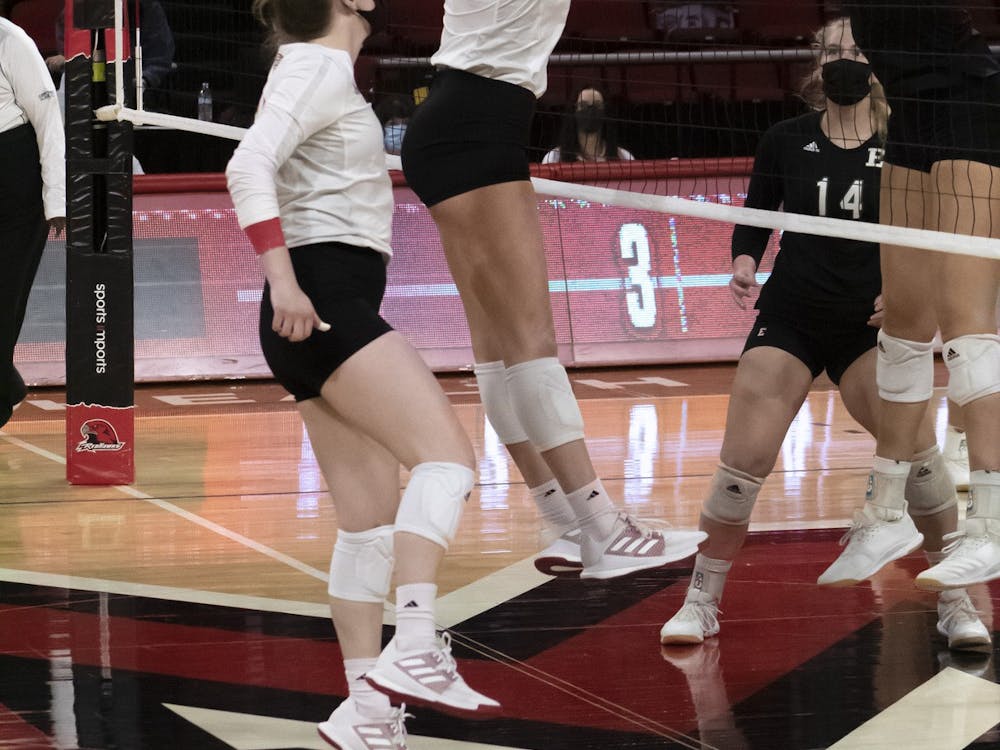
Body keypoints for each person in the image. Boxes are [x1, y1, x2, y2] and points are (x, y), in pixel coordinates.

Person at [660, 17, 990, 652]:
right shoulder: (786, 138)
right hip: (793, 314)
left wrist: (908, 289)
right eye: (833, 51)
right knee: (742, 464)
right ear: (817, 65)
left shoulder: (905, 144)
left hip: (871, 326)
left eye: (855, 50)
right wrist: (743, 261)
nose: (845, 60)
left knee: (920, 461)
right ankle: (700, 599)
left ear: (875, 64)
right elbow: (757, 215)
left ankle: (955, 600)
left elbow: (925, 236)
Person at [226, 1, 499, 746]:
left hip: (318, 304)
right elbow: (247, 164)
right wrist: (283, 281)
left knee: (368, 526)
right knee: (447, 460)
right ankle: (414, 645)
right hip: (320, 297)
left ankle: (368, 713)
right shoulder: (315, 64)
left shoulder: (320, 71)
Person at [400, 0, 706, 581]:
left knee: (496, 346)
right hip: (477, 129)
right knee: (529, 342)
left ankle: (565, 525)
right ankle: (605, 528)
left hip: (457, 123)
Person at [823, 1, 1000, 591]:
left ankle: (991, 528)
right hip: (912, 114)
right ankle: (885, 513)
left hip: (970, 107)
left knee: (966, 330)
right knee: (902, 323)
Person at [0, 13, 65, 429]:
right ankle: (6, 388)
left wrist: (56, 199)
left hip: (14, 182)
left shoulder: (11, 39)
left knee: (4, 302)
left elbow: (48, 122)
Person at [46, 0, 174, 94]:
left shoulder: (145, 7)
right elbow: (69, 45)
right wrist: (69, 58)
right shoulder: (79, 6)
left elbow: (159, 57)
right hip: (86, 87)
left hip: (133, 88)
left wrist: (143, 80)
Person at [541, 86, 635, 164]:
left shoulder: (624, 157)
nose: (590, 111)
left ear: (605, 112)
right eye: (583, 106)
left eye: (597, 105)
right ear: (573, 112)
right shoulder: (554, 158)